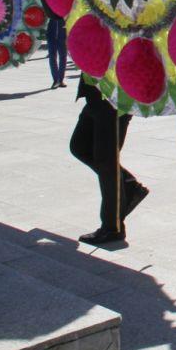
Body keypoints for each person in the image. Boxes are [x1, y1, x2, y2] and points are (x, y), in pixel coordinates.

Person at [70, 77, 148, 245]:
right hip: (95, 93)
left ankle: (112, 228)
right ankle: (128, 185)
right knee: (79, 146)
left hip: (115, 96)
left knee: (106, 161)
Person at [42, 0, 69, 89]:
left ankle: (61, 78)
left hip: (62, 21)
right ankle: (55, 79)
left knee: (63, 53)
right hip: (52, 22)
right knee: (52, 53)